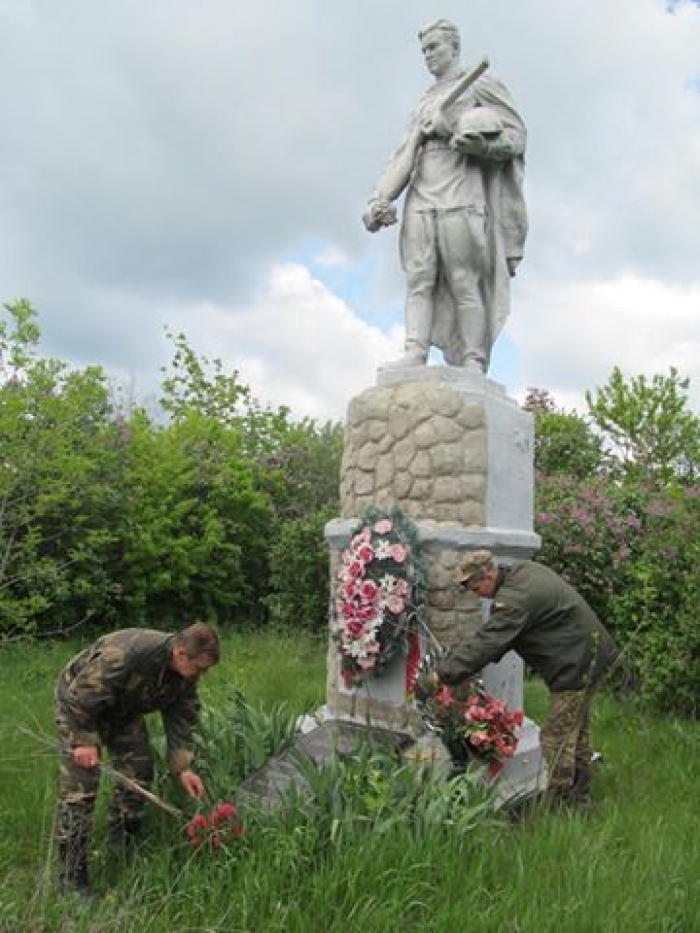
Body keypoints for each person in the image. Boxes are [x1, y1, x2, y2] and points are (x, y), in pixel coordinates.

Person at [363, 19, 528, 374]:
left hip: (462, 193)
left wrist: (468, 137)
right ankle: (414, 352)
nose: (428, 56)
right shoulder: (425, 100)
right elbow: (405, 155)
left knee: (464, 280)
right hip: (422, 195)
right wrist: (380, 198)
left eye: (434, 47)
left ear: (453, 47)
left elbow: (516, 138)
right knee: (418, 280)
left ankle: (473, 359)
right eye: (423, 50)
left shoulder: (479, 84)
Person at [435, 550, 618, 811]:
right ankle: (581, 799)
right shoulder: (522, 571)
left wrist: (443, 673)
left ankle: (561, 803)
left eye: (475, 587)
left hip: (574, 663)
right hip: (590, 654)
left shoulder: (514, 601)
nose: (475, 594)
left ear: (488, 574)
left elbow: (488, 642)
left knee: (556, 737)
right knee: (577, 730)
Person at [54, 623, 220, 897]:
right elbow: (79, 696)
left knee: (139, 772)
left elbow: (182, 717)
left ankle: (120, 847)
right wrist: (83, 741)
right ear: (180, 653)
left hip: (123, 711)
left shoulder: (183, 675)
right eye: (200, 668)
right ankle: (72, 881)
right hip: (79, 708)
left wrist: (183, 768)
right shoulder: (126, 653)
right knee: (80, 790)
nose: (201, 674)